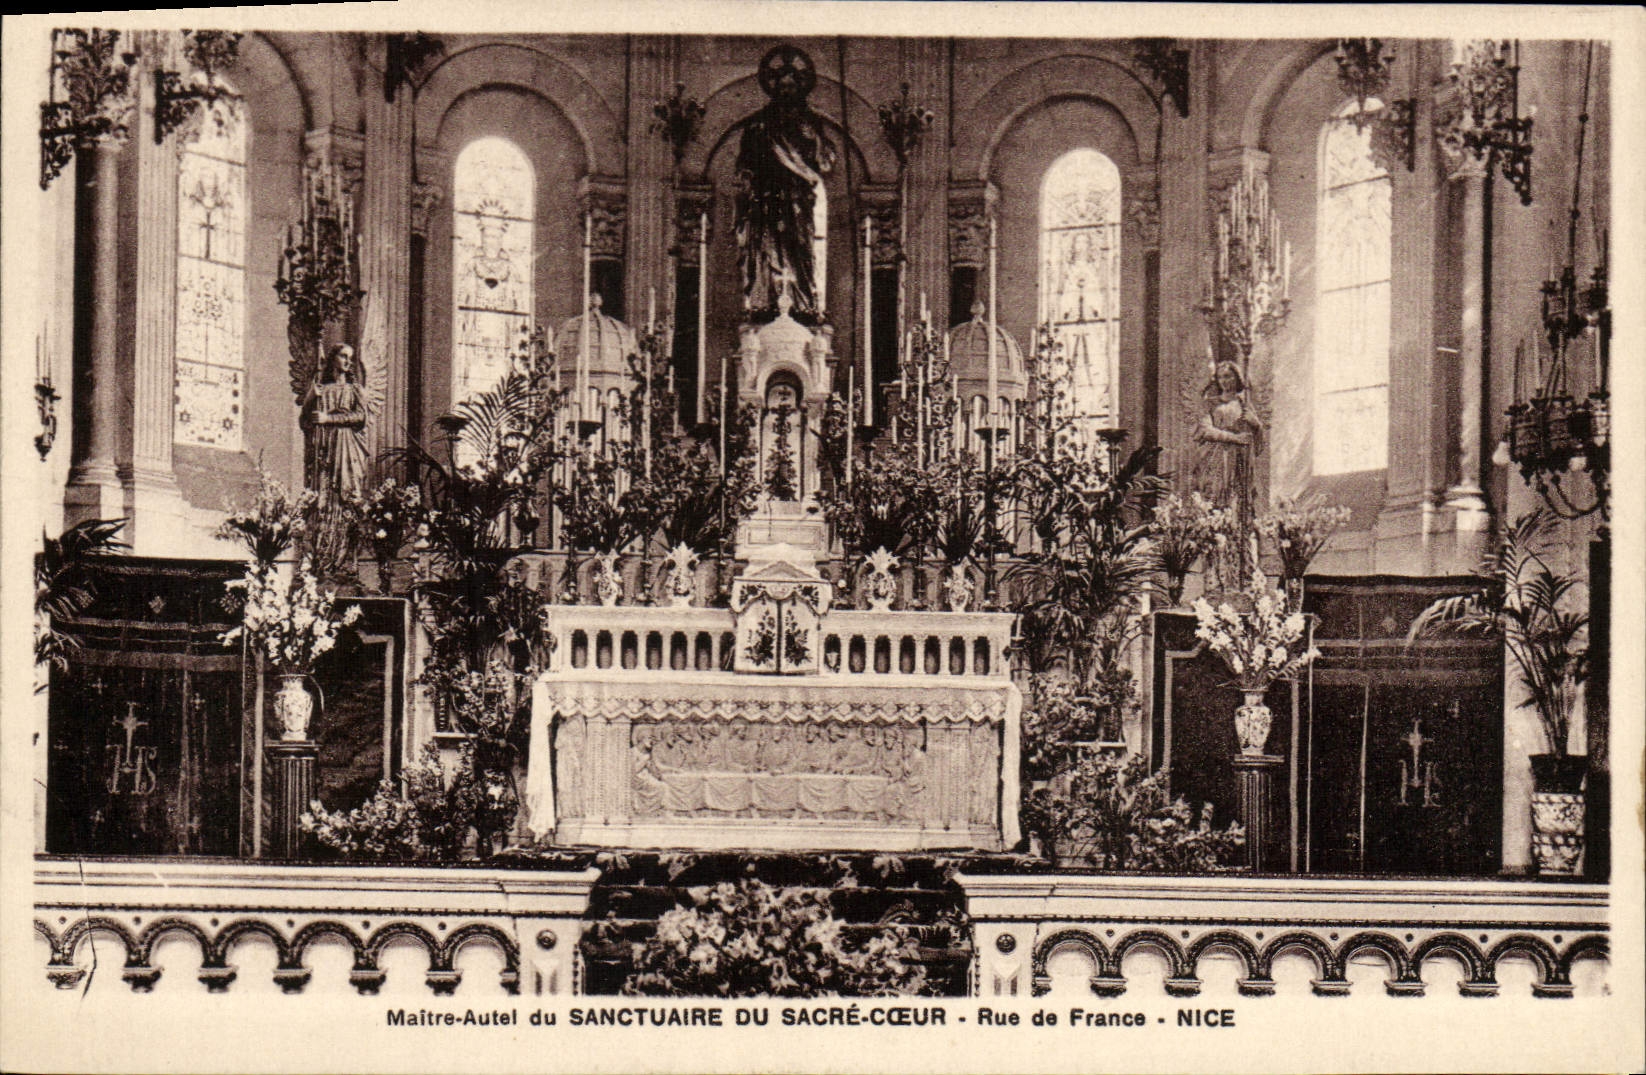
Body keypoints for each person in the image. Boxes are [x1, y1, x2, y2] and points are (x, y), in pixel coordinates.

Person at [735, 45, 836, 319]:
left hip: (798, 202)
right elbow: (743, 166)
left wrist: (812, 138)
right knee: (767, 252)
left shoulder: (811, 124)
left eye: (792, 86)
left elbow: (827, 162)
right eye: (782, 86)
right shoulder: (758, 126)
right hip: (766, 202)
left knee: (800, 250)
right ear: (774, 89)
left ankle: (803, 303)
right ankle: (765, 302)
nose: (787, 91)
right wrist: (747, 181)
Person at [1193, 359, 1263, 587]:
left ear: (1237, 378)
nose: (1225, 381)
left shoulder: (1245, 405)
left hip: (1239, 466)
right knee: (1218, 513)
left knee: (1239, 515)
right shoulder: (1210, 404)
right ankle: (1216, 577)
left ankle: (1242, 576)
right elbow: (1205, 431)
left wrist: (1257, 426)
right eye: (1221, 377)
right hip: (1217, 463)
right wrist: (1235, 438)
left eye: (1229, 376)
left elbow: (1258, 445)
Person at [301, 343, 371, 507]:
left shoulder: (354, 390)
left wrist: (328, 419)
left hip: (346, 442)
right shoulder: (321, 389)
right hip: (325, 443)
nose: (348, 362)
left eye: (350, 358)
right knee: (323, 488)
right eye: (344, 356)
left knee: (345, 489)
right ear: (333, 359)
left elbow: (360, 417)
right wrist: (310, 398)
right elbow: (304, 422)